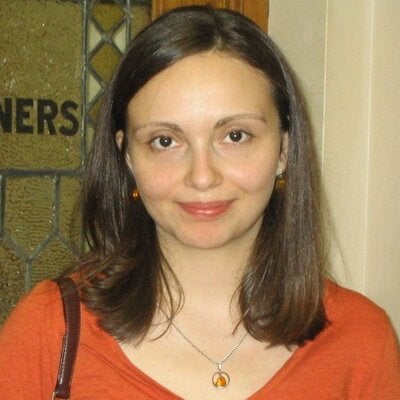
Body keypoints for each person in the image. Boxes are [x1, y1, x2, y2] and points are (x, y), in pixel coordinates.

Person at [0, 5, 399, 400]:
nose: (202, 176)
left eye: (236, 136)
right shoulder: (49, 330)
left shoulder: (361, 341)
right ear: (127, 157)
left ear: (284, 149)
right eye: (165, 141)